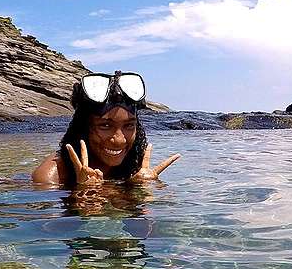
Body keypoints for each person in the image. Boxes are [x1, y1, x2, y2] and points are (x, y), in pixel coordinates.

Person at [32, 71, 181, 187]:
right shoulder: (50, 176)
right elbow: (49, 226)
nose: (119, 140)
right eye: (105, 125)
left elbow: (143, 227)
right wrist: (81, 193)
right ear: (84, 127)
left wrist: (139, 191)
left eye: (129, 125)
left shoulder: (133, 164)